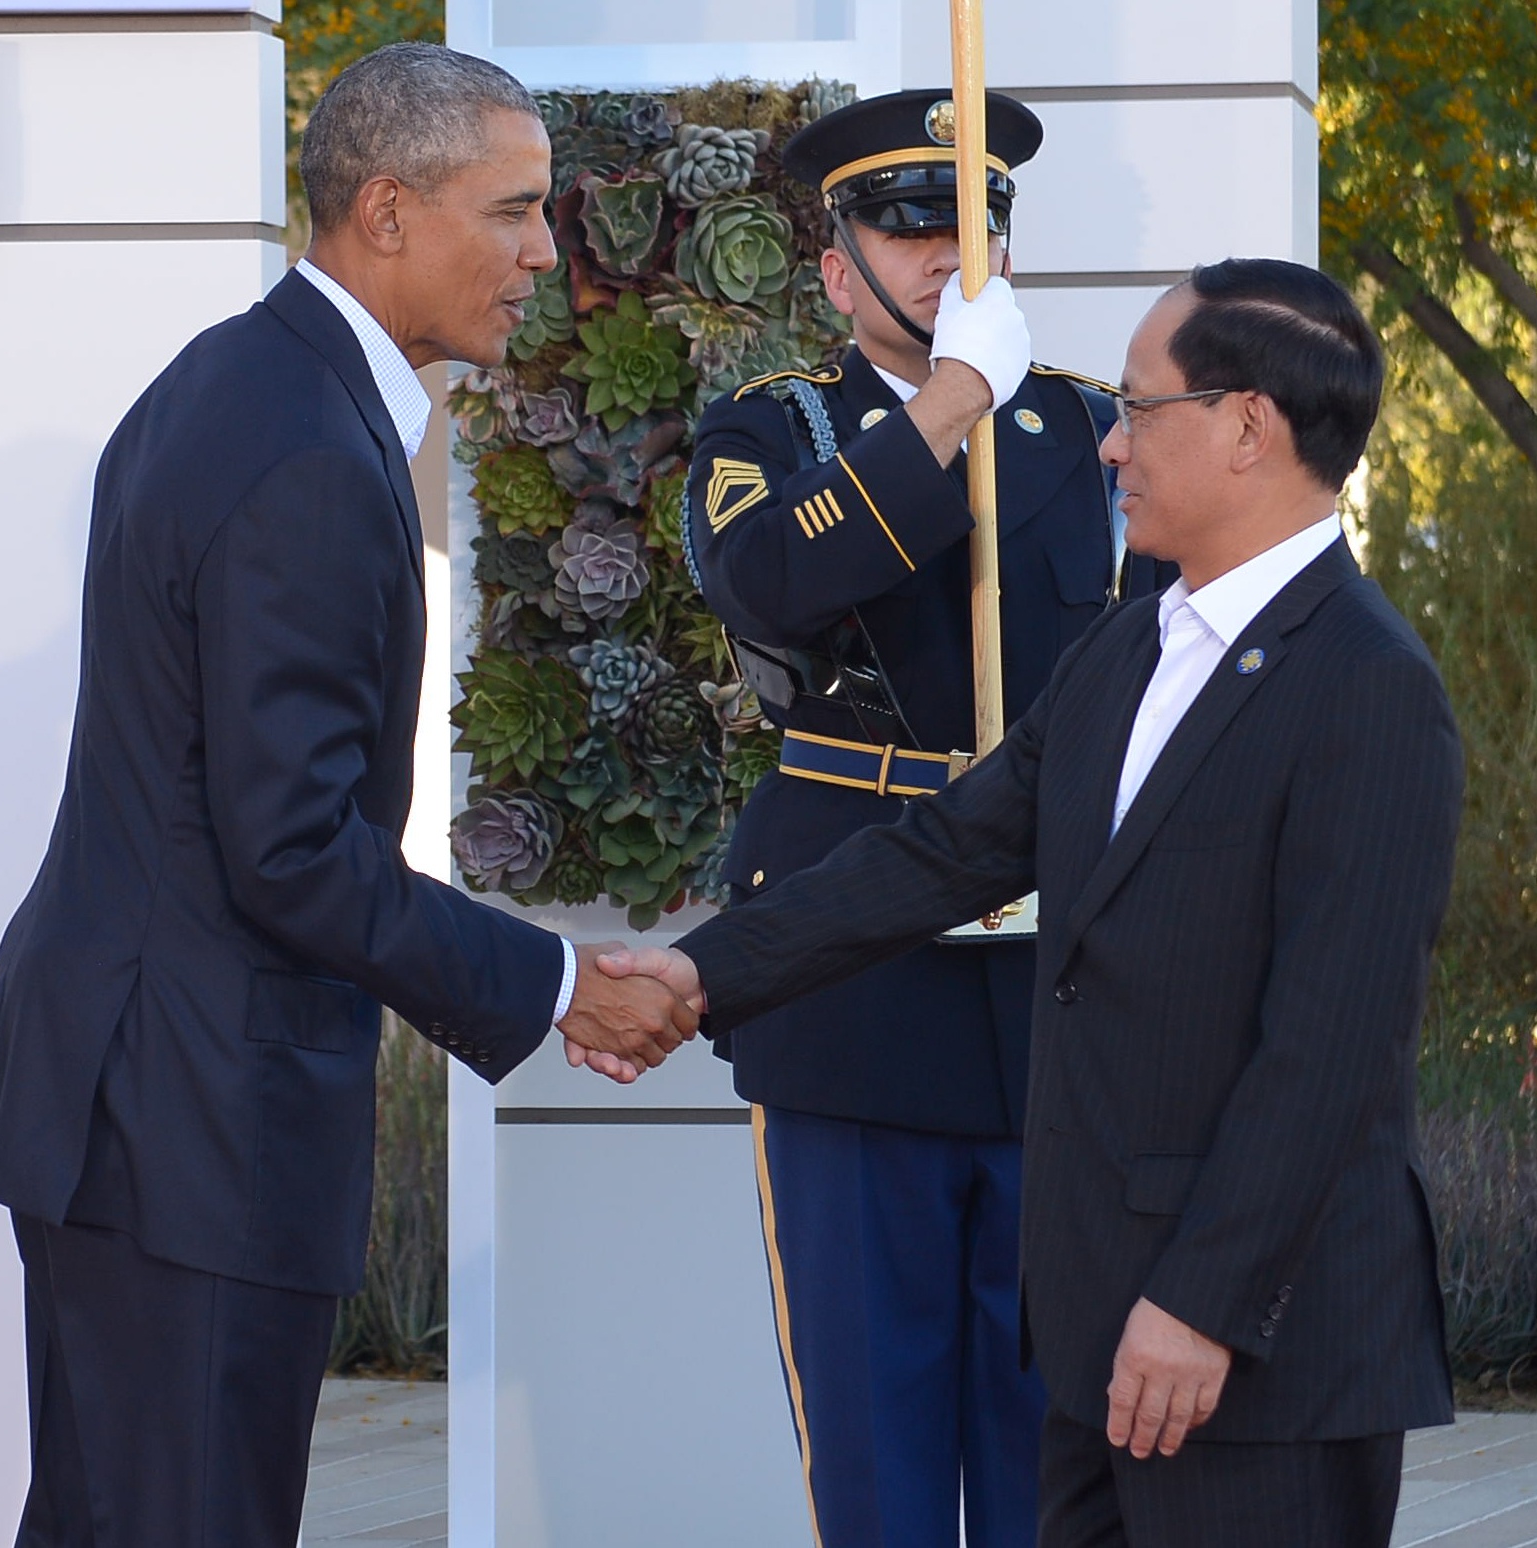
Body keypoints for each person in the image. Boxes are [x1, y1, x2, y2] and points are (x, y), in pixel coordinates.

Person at [0, 44, 695, 1547]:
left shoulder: (242, 384)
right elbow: (289, 850)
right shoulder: (299, 446)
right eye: (514, 211)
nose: (543, 255)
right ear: (387, 211)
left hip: (143, 1111)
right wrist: (559, 987)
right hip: (188, 1130)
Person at [604, 258, 1462, 1548]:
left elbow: (1331, 1052)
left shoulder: (1369, 684)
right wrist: (704, 971)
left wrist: (1203, 1305)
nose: (1111, 443)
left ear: (1247, 428)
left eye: (1141, 409)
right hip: (1100, 1345)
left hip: (1259, 1361)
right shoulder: (1130, 648)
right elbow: (944, 854)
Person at [672, 87, 1172, 1548]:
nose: (953, 255)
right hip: (855, 986)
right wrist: (950, 406)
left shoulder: (1094, 430)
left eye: (975, 223)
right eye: (909, 230)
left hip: (1053, 994)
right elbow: (768, 586)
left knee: (1047, 1459)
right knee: (877, 1461)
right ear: (839, 274)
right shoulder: (772, 431)